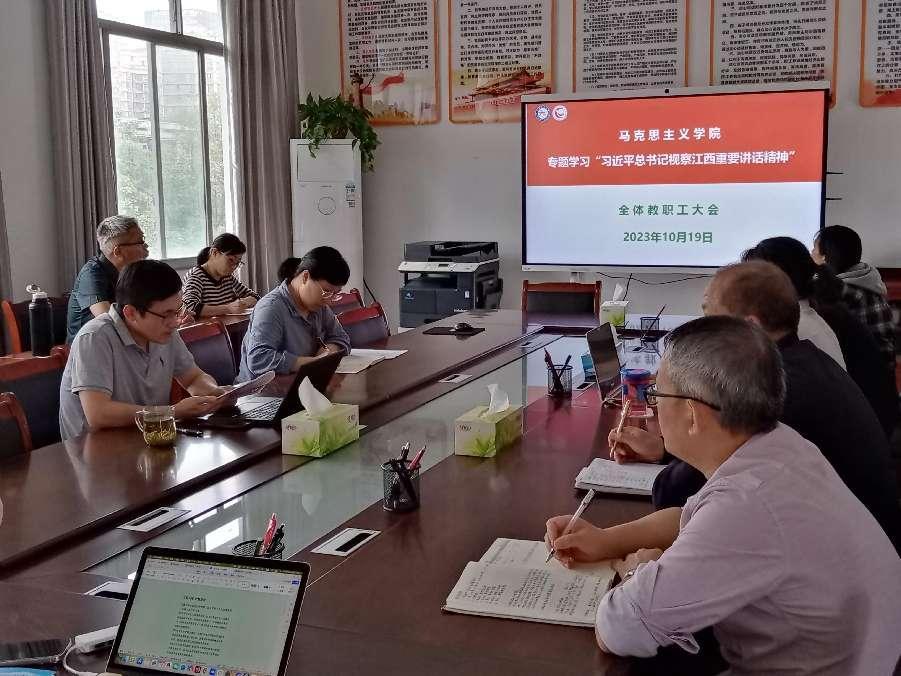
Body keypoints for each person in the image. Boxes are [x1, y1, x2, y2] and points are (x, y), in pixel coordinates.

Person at [546, 316, 901, 672]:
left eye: (656, 394)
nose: (653, 406)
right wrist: (606, 540)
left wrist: (638, 572)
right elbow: (693, 518)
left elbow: (619, 628)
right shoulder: (780, 445)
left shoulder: (746, 504)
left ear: (692, 415)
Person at [611, 262, 900, 550]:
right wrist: (663, 450)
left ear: (749, 327)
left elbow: (677, 495)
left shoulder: (772, 391)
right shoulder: (804, 361)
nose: (701, 330)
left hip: (841, 555)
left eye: (709, 317)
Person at [743, 236, 898, 436]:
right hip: (872, 423)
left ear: (773, 282)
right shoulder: (816, 310)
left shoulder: (801, 325)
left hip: (863, 428)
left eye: (748, 283)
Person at [59, 260, 227, 440]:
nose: (175, 322)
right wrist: (172, 412)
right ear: (131, 313)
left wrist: (213, 393)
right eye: (166, 314)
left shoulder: (165, 332)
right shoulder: (95, 337)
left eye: (177, 311)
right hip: (94, 447)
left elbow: (193, 377)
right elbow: (98, 414)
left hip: (147, 437)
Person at [236, 247, 351, 382]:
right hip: (262, 391)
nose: (330, 301)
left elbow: (340, 337)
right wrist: (313, 362)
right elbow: (258, 359)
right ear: (305, 277)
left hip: (302, 383)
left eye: (336, 294)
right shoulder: (271, 307)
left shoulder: (319, 305)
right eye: (326, 292)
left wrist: (329, 352)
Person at [813, 225, 896, 370]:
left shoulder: (841, 291)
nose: (811, 253)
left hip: (859, 375)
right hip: (883, 372)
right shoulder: (869, 278)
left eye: (815, 249)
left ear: (825, 258)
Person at [66, 215, 149, 343]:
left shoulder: (131, 272)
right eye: (140, 242)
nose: (146, 246)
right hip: (90, 347)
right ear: (118, 252)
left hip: (121, 342)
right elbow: (108, 320)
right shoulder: (92, 274)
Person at [182, 233, 259, 318]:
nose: (234, 267)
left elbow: (255, 296)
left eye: (237, 263)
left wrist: (248, 301)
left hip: (229, 324)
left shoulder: (228, 277)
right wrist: (228, 308)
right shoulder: (196, 276)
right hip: (209, 326)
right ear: (214, 252)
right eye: (230, 260)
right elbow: (189, 307)